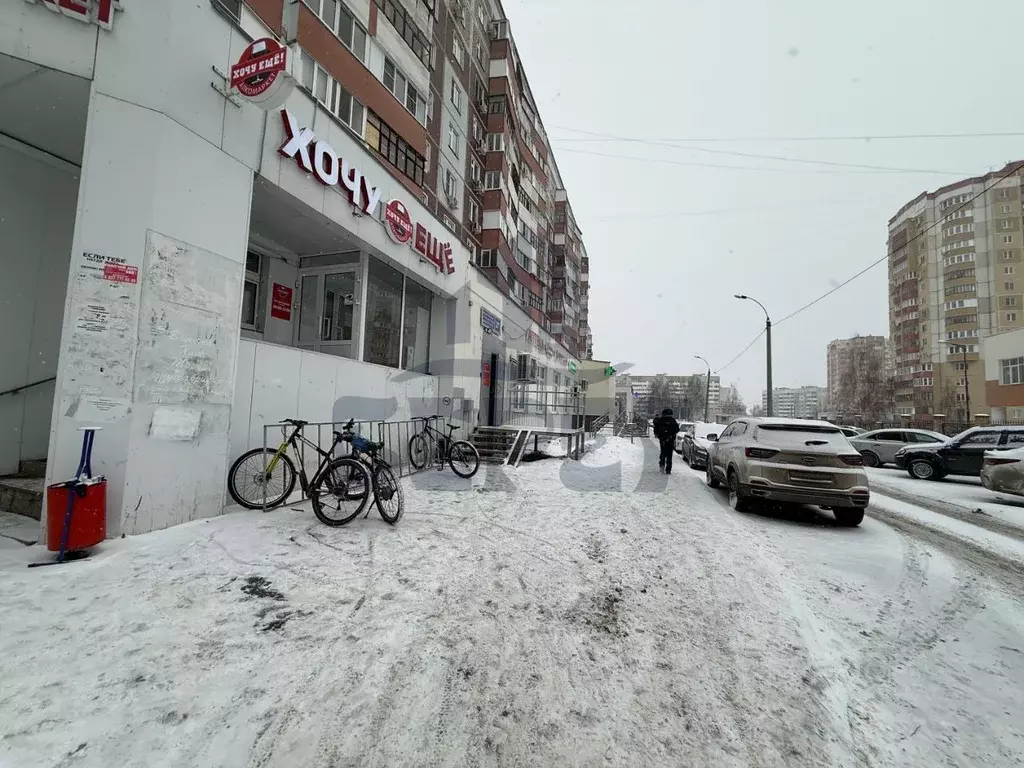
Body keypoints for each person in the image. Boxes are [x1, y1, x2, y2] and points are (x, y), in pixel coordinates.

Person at [652, 408, 680, 474]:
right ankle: (668, 469)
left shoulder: (661, 420)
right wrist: (671, 435)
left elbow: (656, 429)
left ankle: (662, 465)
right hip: (670, 440)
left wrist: (659, 436)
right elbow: (677, 429)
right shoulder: (673, 420)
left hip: (663, 439)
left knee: (663, 452)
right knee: (669, 455)